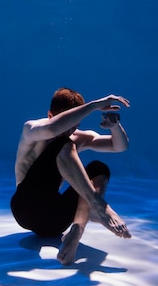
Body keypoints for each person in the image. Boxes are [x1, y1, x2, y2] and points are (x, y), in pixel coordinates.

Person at [10, 88, 132, 265]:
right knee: (64, 144)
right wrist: (96, 105)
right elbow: (53, 129)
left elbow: (119, 146)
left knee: (98, 168)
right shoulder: (31, 130)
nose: (69, 130)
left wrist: (115, 127)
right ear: (50, 115)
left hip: (54, 222)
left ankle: (76, 231)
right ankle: (98, 205)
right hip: (25, 208)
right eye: (66, 124)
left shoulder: (76, 137)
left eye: (74, 125)